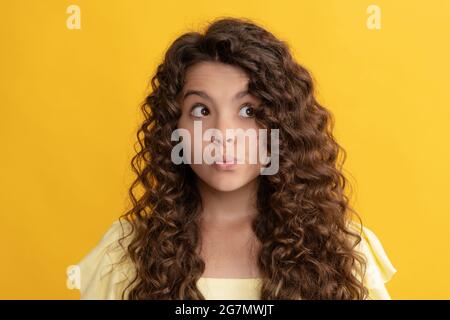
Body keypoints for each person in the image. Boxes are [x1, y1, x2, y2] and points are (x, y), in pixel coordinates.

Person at [71, 17, 397, 300]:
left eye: (248, 111)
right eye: (201, 110)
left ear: (283, 125)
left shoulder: (343, 249)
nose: (223, 133)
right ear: (175, 128)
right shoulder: (125, 251)